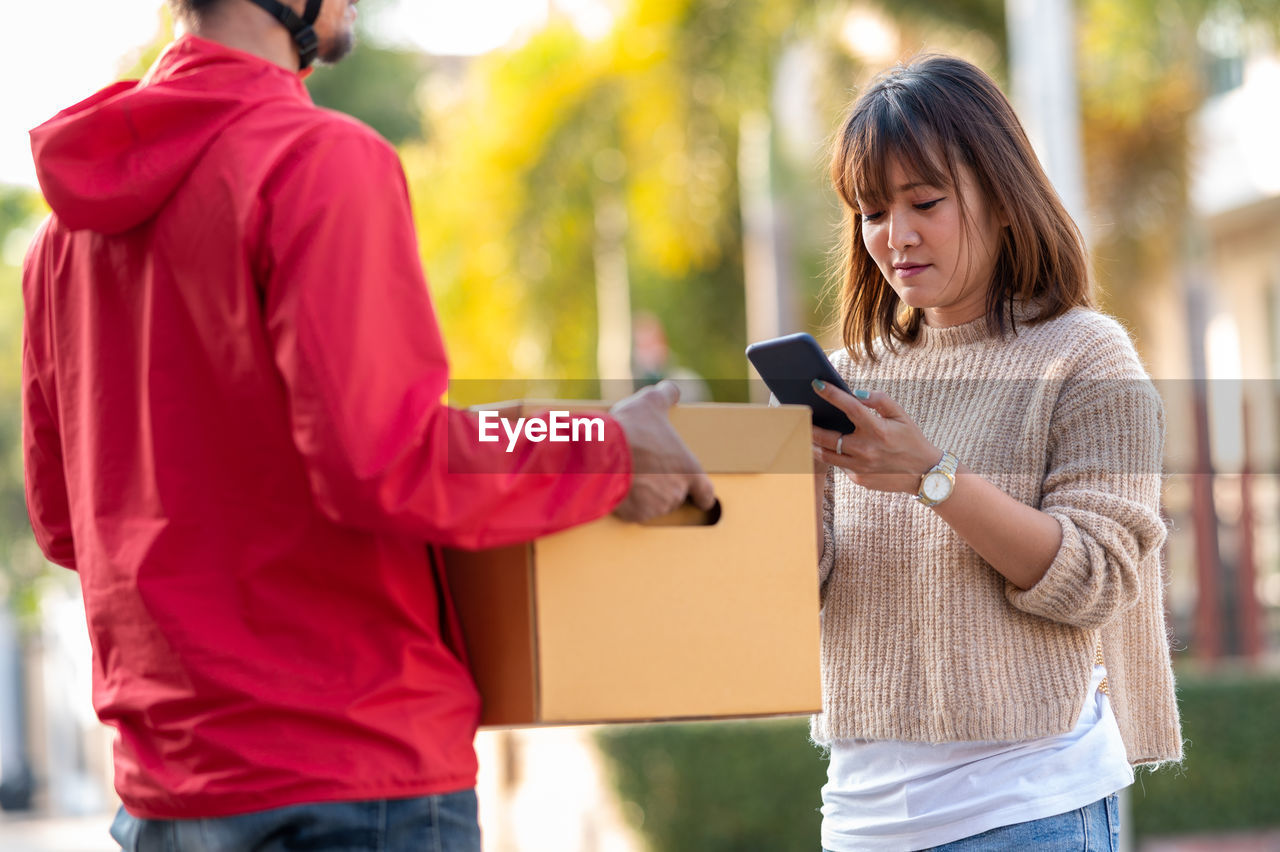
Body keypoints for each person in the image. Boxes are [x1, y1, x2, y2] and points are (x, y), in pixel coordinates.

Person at [21, 0, 715, 849]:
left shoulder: (64, 236)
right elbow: (391, 457)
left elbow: (64, 524)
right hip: (350, 774)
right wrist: (604, 445)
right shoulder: (317, 160)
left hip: (169, 795)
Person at [806, 54, 1181, 851]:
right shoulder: (850, 379)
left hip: (1027, 811)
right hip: (861, 819)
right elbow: (796, 597)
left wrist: (933, 478)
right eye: (871, 210)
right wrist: (794, 483)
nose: (894, 236)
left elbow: (1097, 580)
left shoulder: (1084, 357)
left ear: (1002, 197)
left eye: (925, 202)